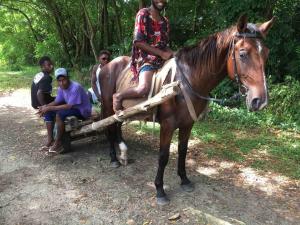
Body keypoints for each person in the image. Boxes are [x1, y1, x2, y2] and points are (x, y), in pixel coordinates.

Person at [113, 0, 173, 112]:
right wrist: (161, 53)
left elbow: (165, 45)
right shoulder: (143, 14)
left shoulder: (165, 21)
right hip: (146, 58)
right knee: (144, 88)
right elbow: (138, 42)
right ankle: (118, 96)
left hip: (162, 59)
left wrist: (174, 54)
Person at [38, 68, 92, 154]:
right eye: (59, 81)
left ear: (68, 78)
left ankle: (57, 143)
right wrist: (45, 107)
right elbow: (57, 101)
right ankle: (50, 140)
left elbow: (68, 106)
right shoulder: (61, 88)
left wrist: (49, 108)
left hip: (82, 111)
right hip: (72, 108)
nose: (62, 83)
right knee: (47, 112)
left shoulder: (75, 87)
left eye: (64, 80)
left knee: (59, 114)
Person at [31, 56, 55, 149]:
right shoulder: (47, 77)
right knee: (53, 107)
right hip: (40, 101)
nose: (51, 66)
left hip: (35, 102)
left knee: (58, 99)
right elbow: (39, 93)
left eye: (51, 64)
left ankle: (51, 138)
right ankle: (50, 140)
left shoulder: (39, 74)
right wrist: (45, 107)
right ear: (43, 67)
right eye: (48, 65)